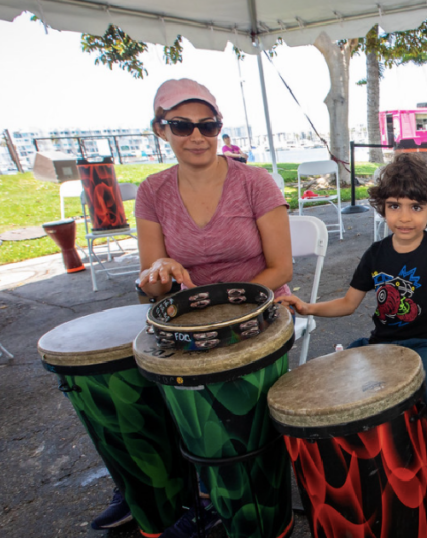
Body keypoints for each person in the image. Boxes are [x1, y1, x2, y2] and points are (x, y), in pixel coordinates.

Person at [98, 78, 291, 537]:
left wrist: (227, 312)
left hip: (259, 307)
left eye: (209, 124)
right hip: (185, 318)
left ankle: (216, 491)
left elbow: (280, 269)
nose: (197, 136)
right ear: (160, 129)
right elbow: (154, 287)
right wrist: (157, 274)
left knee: (211, 375)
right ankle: (150, 482)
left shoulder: (254, 182)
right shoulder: (153, 191)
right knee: (130, 373)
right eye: (181, 125)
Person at [276, 152, 427, 519]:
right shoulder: (375, 255)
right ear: (382, 207)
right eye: (394, 205)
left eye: (415, 206)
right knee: (340, 376)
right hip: (383, 345)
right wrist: (308, 307)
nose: (404, 216)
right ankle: (369, 461)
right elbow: (348, 303)